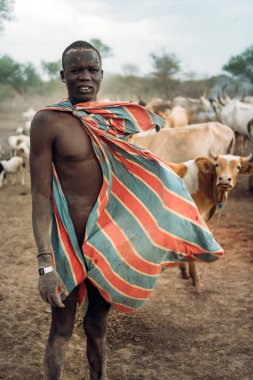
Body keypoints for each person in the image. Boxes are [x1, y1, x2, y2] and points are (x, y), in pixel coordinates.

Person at [30, 40, 223, 380]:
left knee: (97, 328)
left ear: (102, 74)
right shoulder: (48, 122)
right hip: (66, 245)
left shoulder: (114, 121)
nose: (84, 77)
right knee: (60, 332)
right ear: (63, 76)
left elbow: (128, 184)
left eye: (91, 69)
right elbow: (39, 194)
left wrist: (145, 238)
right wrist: (45, 263)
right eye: (75, 70)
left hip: (107, 245)